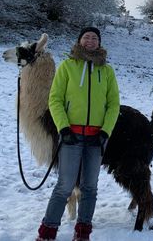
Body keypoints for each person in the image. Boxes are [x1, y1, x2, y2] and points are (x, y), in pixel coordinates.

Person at [36, 27, 120, 241]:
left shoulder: (107, 72)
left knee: (90, 187)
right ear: (80, 41)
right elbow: (55, 99)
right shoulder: (67, 67)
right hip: (71, 136)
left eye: (94, 38)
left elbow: (113, 105)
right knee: (64, 186)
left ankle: (82, 233)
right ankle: (47, 232)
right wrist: (63, 128)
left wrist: (105, 132)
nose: (90, 40)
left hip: (96, 138)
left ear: (99, 43)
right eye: (86, 37)